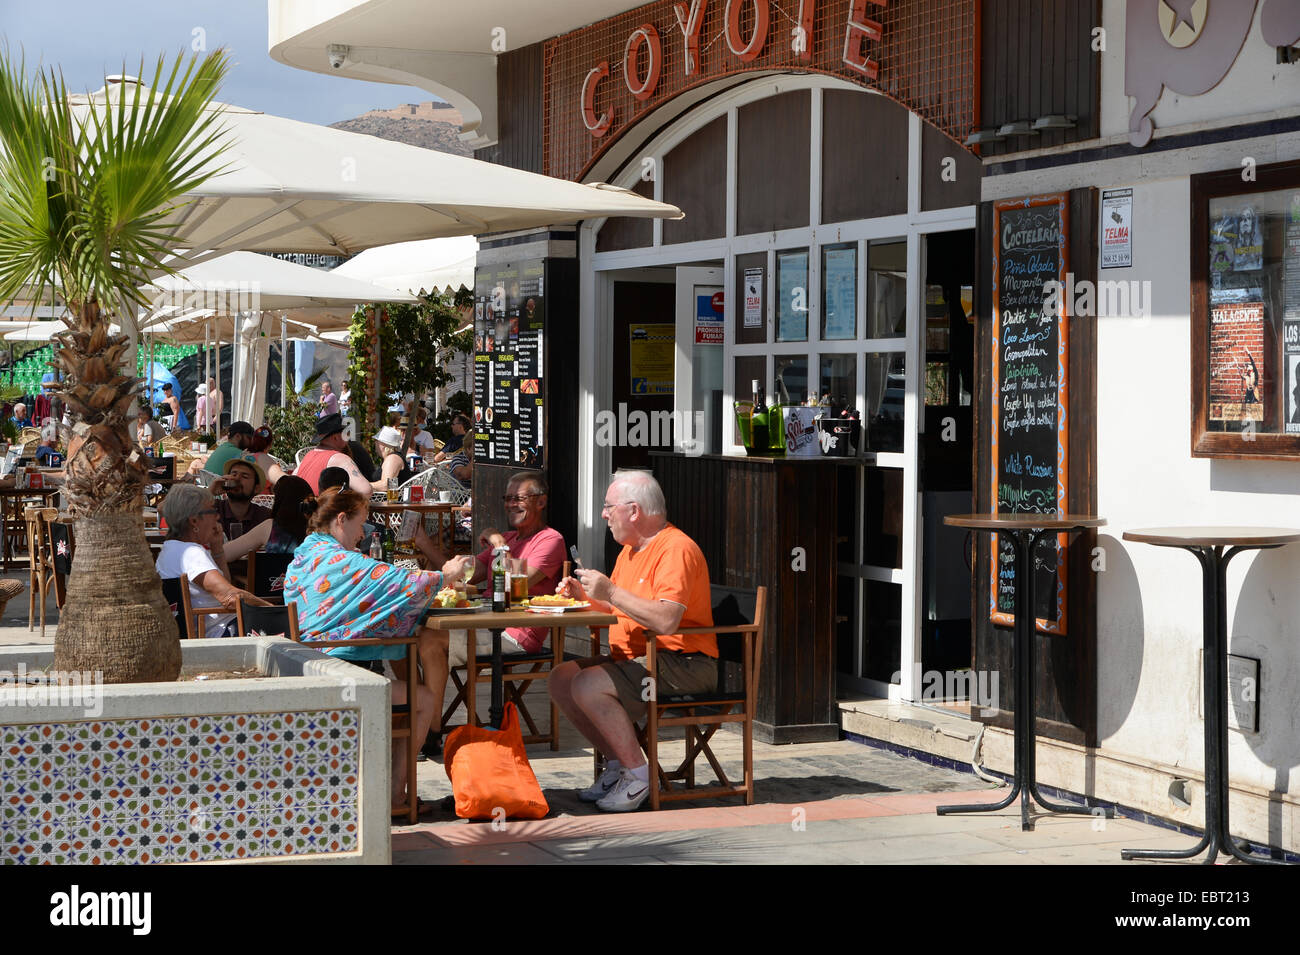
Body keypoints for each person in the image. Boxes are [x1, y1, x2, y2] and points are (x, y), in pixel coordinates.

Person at [284, 487, 473, 811]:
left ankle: (386, 792)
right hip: (332, 677)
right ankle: (394, 796)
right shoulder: (343, 560)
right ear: (341, 520)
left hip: (305, 667)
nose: (363, 533)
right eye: (361, 523)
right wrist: (446, 575)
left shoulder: (304, 555)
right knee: (423, 698)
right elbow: (404, 584)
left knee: (406, 695)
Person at [549, 471, 716, 813]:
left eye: (608, 507)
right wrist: (585, 596)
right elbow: (618, 606)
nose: (603, 514)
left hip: (683, 662)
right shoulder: (631, 550)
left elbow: (666, 620)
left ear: (634, 511)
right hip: (639, 658)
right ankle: (617, 765)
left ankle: (640, 776)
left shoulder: (676, 549)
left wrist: (609, 590)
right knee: (561, 679)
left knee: (588, 685)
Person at [441, 471, 566, 665]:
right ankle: (422, 694)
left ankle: (427, 695)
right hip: (482, 622)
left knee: (432, 640)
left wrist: (497, 543)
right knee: (412, 632)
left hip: (515, 634)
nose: (510, 504)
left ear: (541, 502)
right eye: (508, 498)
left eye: (518, 498)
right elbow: (464, 577)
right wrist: (426, 547)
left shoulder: (550, 540)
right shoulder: (508, 537)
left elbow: (513, 586)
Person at [156, 484, 270, 638]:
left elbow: (225, 584)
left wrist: (217, 548)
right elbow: (230, 598)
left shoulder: (170, 549)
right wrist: (273, 609)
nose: (217, 517)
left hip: (209, 631)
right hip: (224, 633)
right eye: (212, 511)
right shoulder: (192, 554)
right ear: (194, 521)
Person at [223, 475, 314, 560]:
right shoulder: (319, 527)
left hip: (277, 576)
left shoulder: (270, 527)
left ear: (279, 500)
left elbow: (225, 554)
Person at [294, 413, 372, 496]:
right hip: (324, 508)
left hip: (303, 507)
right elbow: (366, 491)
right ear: (336, 438)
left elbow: (293, 479)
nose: (348, 437)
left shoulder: (308, 455)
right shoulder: (339, 458)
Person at [216, 454, 272, 541]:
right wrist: (210, 491)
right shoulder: (212, 509)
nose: (237, 479)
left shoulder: (264, 517)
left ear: (256, 488)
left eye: (244, 476)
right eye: (234, 475)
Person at [190, 421, 255, 477]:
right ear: (237, 436)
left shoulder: (222, 447)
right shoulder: (239, 454)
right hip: (222, 490)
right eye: (248, 438)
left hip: (210, 488)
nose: (251, 441)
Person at [370, 425, 412, 491]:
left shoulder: (392, 459)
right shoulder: (391, 458)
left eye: (376, 440)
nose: (375, 443)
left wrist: (362, 486)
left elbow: (386, 485)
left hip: (390, 500)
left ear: (382, 443)